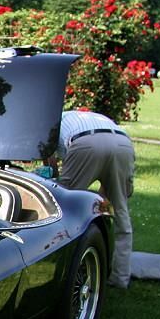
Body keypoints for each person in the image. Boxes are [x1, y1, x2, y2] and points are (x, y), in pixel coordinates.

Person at [52, 109, 135, 288]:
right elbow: (127, 191)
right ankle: (120, 277)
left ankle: (62, 268)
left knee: (64, 207)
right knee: (121, 212)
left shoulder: (52, 123)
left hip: (85, 143)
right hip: (123, 143)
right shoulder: (89, 117)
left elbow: (51, 164)